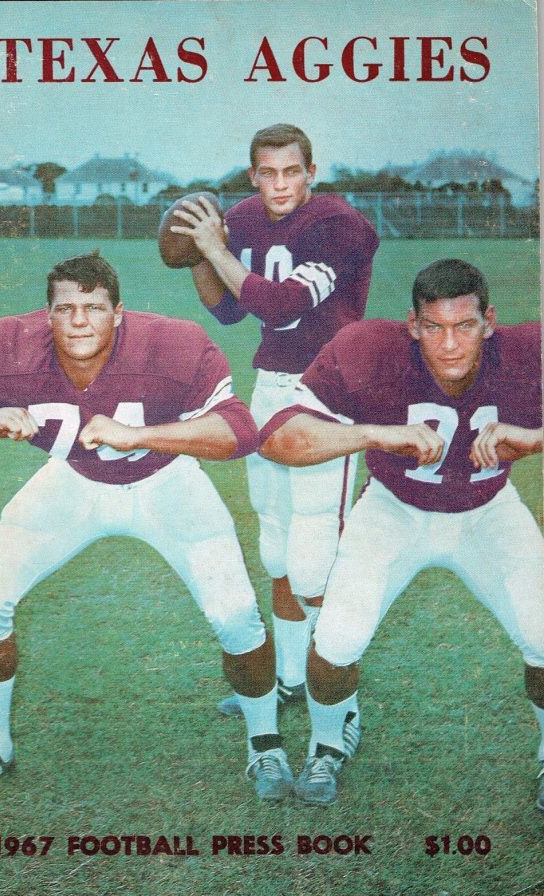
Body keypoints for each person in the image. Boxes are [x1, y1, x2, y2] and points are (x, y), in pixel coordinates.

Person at [0, 251, 294, 803]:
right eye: (66, 309)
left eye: (94, 307)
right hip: (73, 481)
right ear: (46, 315)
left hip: (167, 482)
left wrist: (140, 437)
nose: (80, 320)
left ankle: (265, 741)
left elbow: (239, 430)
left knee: (234, 614)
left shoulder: (172, 345)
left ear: (119, 314)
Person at [260, 258, 544, 807]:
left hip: (488, 511)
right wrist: (374, 434)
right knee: (337, 640)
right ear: (412, 325)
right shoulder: (370, 350)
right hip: (395, 509)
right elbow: (278, 438)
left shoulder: (528, 352)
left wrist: (533, 437)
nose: (451, 344)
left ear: (490, 321)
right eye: (434, 327)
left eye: (465, 326)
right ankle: (327, 745)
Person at [171, 123, 379, 732]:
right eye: (267, 172)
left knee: (315, 557)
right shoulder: (244, 218)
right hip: (271, 384)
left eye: (291, 171)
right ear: (253, 173)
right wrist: (197, 254)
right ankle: (291, 677)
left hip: (330, 390)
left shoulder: (342, 225)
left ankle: (343, 705)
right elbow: (232, 308)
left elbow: (283, 303)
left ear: (312, 171)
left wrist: (215, 249)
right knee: (277, 545)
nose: (280, 184)